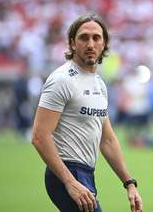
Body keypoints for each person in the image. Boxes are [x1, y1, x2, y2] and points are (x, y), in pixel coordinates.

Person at [31, 12, 143, 212]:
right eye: (84, 37)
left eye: (96, 38)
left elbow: (107, 139)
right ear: (72, 43)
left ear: (104, 44)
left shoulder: (99, 84)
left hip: (86, 172)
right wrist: (70, 182)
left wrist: (130, 183)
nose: (90, 44)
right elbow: (40, 136)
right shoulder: (62, 80)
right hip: (66, 173)